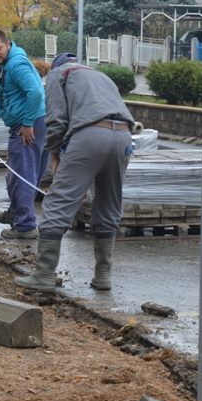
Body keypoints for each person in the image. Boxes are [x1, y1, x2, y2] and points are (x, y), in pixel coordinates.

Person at [14, 53, 135, 292]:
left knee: (58, 202)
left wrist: (55, 155)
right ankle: (102, 276)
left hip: (90, 137)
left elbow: (57, 120)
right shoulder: (101, 76)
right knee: (109, 204)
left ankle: (44, 274)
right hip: (123, 136)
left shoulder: (58, 75)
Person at [0, 30, 47, 239]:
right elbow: (0, 97)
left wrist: (27, 124)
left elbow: (35, 93)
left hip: (28, 126)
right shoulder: (5, 67)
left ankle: (26, 227)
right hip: (26, 124)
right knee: (16, 174)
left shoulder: (17, 65)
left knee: (23, 175)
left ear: (8, 45)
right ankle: (16, 213)